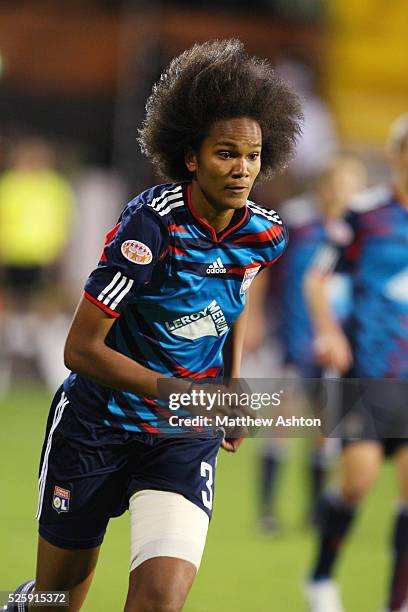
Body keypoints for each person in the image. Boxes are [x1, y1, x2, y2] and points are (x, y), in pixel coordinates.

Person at [7, 39, 302, 612]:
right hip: (97, 424)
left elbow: (234, 300)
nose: (242, 169)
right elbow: (79, 349)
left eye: (253, 155)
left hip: (180, 436)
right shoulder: (150, 228)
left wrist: (230, 390)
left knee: (160, 601)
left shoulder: (265, 233)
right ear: (190, 156)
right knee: (56, 600)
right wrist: (174, 392)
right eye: (225, 154)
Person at [305, 114, 408, 612]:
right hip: (366, 369)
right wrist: (328, 331)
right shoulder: (365, 214)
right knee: (358, 482)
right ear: (397, 154)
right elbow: (316, 278)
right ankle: (321, 577)